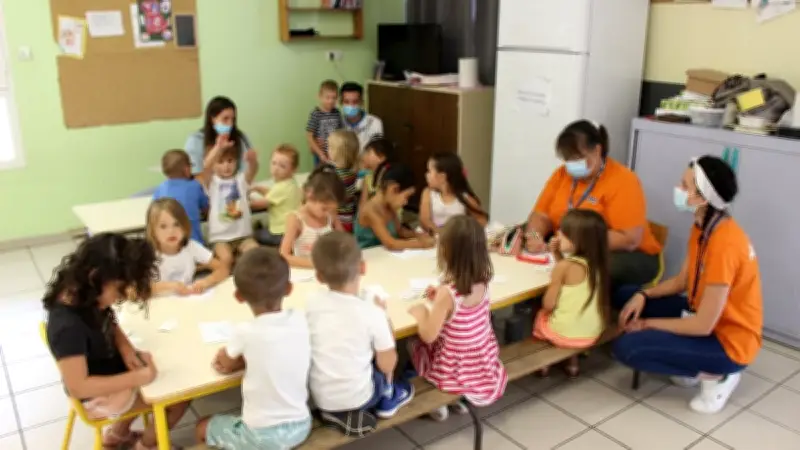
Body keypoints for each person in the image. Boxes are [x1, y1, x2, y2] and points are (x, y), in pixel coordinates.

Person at [613, 155, 762, 415]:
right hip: (701, 314)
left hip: (726, 341)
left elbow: (702, 325)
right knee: (627, 296)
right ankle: (690, 359)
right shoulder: (702, 227)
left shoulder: (726, 244)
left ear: (703, 198)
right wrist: (643, 294)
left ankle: (718, 375)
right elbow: (682, 281)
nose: (678, 188)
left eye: (684, 185)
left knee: (628, 348)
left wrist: (647, 324)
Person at [43, 233, 190, 450]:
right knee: (178, 397)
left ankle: (117, 435)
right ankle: (145, 446)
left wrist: (126, 349)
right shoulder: (68, 326)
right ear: (95, 276)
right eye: (119, 290)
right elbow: (78, 387)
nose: (120, 297)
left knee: (159, 368)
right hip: (96, 397)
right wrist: (137, 377)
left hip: (106, 370)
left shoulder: (84, 292)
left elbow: (109, 320)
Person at [196, 248, 312, 449]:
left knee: (202, 426)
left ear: (238, 296)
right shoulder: (301, 319)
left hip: (260, 436)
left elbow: (224, 364)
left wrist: (232, 359)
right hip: (301, 426)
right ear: (289, 289)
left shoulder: (245, 332)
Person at [523, 120, 662, 288]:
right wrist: (535, 236)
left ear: (597, 151)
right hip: (569, 245)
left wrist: (578, 243)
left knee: (582, 270)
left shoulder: (624, 180)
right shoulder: (562, 175)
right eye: (567, 159)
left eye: (577, 158)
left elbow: (629, 239)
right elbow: (540, 214)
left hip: (626, 254)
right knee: (522, 234)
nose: (571, 165)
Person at [306, 232, 414, 437]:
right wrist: (384, 316)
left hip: (320, 396)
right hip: (360, 397)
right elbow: (387, 363)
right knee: (383, 358)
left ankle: (333, 412)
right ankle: (388, 397)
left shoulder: (312, 302)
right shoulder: (372, 312)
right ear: (363, 267)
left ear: (319, 277)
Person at [408, 216, 507, 422]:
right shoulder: (483, 282)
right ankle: (458, 400)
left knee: (413, 344)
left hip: (454, 369)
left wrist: (422, 313)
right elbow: (462, 309)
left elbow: (428, 335)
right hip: (481, 362)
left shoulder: (448, 293)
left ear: (445, 251)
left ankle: (440, 401)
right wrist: (441, 298)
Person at [533, 209, 610, 377]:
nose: (558, 234)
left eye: (563, 232)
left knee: (540, 316)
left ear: (578, 240)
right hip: (592, 334)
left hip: (565, 335)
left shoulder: (564, 267)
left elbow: (548, 304)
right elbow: (571, 274)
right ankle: (572, 364)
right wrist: (557, 253)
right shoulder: (598, 264)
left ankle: (545, 363)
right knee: (572, 315)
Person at [146, 198, 228, 296]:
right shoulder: (147, 253)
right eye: (163, 226)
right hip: (159, 302)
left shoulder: (191, 246)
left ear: (184, 225)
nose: (171, 231)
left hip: (186, 301)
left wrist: (205, 282)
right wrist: (170, 286)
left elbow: (223, 268)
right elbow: (132, 290)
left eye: (176, 224)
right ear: (153, 230)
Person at [201, 136, 260, 269]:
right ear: (214, 164)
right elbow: (206, 167)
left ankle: (239, 260)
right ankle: (234, 261)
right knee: (226, 259)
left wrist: (253, 161)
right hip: (220, 238)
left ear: (236, 161)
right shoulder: (212, 183)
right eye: (220, 162)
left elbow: (253, 170)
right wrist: (218, 148)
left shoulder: (241, 180)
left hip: (243, 236)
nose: (226, 166)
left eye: (230, 161)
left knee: (255, 254)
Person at [355, 163, 435, 250]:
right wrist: (421, 244)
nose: (406, 202)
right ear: (393, 189)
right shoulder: (370, 210)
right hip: (370, 255)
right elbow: (391, 244)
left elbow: (400, 231)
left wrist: (418, 235)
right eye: (406, 197)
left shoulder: (390, 206)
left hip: (386, 254)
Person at [279, 166, 345, 268]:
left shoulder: (331, 215)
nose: (327, 213)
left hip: (328, 270)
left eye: (332, 209)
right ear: (310, 196)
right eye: (324, 209)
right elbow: (284, 255)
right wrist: (316, 264)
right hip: (305, 272)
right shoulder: (296, 219)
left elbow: (344, 243)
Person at [185, 96, 254, 183]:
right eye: (225, 119)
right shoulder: (195, 140)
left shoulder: (241, 137)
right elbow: (197, 176)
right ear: (212, 119)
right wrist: (218, 148)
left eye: (232, 119)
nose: (230, 124)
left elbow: (247, 173)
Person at [419, 153, 488, 234]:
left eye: (429, 171)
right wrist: (441, 233)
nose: (426, 175)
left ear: (442, 177)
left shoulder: (464, 197)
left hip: (456, 237)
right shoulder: (428, 193)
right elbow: (425, 220)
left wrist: (464, 232)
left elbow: (482, 220)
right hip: (432, 236)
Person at [153, 149, 209, 244]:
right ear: (187, 170)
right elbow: (206, 209)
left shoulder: (161, 188)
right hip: (194, 242)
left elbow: (154, 211)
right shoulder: (195, 186)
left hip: (169, 243)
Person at [251, 145, 303, 247]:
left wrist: (244, 203)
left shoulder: (281, 187)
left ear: (294, 170)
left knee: (254, 234)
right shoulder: (290, 182)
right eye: (273, 163)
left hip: (281, 233)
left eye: (282, 166)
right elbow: (273, 194)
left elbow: (259, 205)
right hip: (292, 229)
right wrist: (257, 188)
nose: (276, 169)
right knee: (261, 228)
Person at [327, 130, 360, 233]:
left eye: (330, 147)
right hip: (349, 219)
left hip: (338, 221)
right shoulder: (351, 172)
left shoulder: (337, 176)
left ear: (339, 153)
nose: (328, 150)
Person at [306, 80, 345, 166]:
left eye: (334, 98)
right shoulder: (315, 114)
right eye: (327, 98)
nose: (331, 101)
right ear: (320, 96)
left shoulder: (337, 113)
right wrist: (320, 154)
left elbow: (341, 133)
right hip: (320, 155)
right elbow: (309, 136)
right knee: (321, 173)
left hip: (335, 154)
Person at [340, 82, 384, 152]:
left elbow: (376, 153)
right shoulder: (338, 123)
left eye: (355, 102)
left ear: (362, 102)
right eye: (346, 102)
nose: (351, 105)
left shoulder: (374, 123)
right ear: (341, 102)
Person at [358, 137, 396, 212]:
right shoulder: (368, 176)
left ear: (381, 157)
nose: (363, 156)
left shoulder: (389, 177)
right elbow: (362, 202)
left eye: (368, 152)